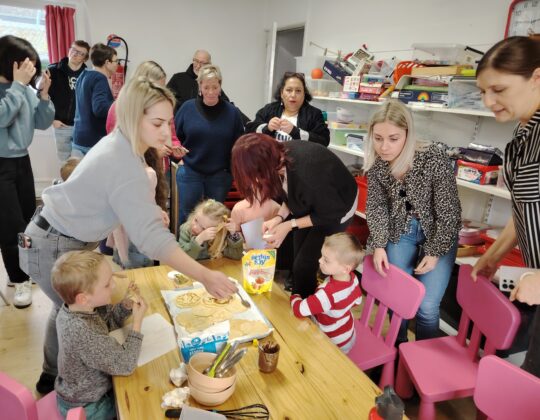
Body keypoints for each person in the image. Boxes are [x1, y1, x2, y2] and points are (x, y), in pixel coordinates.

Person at [19, 77, 236, 394]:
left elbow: (119, 202)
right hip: (53, 242)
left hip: (54, 234)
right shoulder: (123, 160)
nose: (166, 132)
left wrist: (143, 208)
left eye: (169, 123)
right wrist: (204, 276)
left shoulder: (123, 143)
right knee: (77, 317)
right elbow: (152, 240)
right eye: (158, 123)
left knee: (63, 311)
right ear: (135, 117)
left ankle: (51, 377)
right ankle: (69, 388)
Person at [365, 100, 461, 343]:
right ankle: (397, 353)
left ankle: (422, 360)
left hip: (438, 232)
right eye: (378, 138)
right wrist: (378, 245)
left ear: (408, 134)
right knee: (397, 298)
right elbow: (376, 207)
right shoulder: (377, 165)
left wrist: (436, 250)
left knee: (427, 307)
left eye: (393, 139)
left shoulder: (433, 157)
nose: (384, 147)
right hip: (402, 230)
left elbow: (449, 212)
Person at [473, 36, 540, 378]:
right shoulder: (522, 136)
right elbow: (526, 208)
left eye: (498, 89)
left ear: (537, 78)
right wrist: (493, 255)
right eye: (483, 91)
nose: (488, 101)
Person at [231, 133, 358, 298]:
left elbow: (328, 214)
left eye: (253, 173)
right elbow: (292, 195)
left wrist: (289, 225)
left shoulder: (307, 172)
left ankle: (307, 309)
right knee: (298, 259)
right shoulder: (278, 160)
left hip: (336, 209)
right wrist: (279, 218)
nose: (254, 179)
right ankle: (300, 298)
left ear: (263, 165)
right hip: (316, 200)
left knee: (305, 264)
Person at [51, 250, 146, 419]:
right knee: (138, 407)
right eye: (107, 284)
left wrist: (125, 305)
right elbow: (126, 365)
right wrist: (137, 323)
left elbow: (107, 321)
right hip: (88, 405)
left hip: (77, 391)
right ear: (84, 298)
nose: (114, 286)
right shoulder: (82, 331)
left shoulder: (77, 308)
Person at [0, 35, 54, 308]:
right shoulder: (15, 89)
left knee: (25, 220)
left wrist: (43, 94)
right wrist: (20, 87)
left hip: (22, 161)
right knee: (9, 225)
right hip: (1, 164)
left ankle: (20, 272)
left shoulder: (21, 89)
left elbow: (43, 122)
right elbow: (2, 116)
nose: (30, 71)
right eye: (26, 65)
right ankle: (19, 279)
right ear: (11, 63)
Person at [174, 64, 244, 224]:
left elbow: (239, 143)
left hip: (220, 174)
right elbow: (175, 136)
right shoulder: (187, 108)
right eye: (206, 87)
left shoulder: (232, 112)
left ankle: (212, 249)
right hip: (190, 170)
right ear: (200, 87)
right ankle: (185, 249)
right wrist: (178, 157)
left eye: (215, 87)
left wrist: (231, 167)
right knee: (188, 216)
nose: (211, 92)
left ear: (220, 86)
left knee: (215, 218)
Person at [290, 232, 363, 353]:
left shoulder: (326, 295)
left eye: (326, 260)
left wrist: (295, 297)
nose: (319, 261)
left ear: (345, 268)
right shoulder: (353, 278)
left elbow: (299, 310)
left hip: (330, 343)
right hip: (348, 335)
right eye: (321, 256)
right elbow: (357, 301)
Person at [245, 72, 329, 146]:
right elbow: (249, 131)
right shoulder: (269, 109)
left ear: (304, 94)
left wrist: (295, 131)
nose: (293, 95)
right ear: (282, 93)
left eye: (298, 91)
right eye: (289, 90)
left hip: (300, 162)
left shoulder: (314, 114)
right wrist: (267, 128)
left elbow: (324, 141)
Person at [48, 40, 90, 162]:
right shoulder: (53, 70)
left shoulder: (88, 75)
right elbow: (43, 96)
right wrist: (52, 119)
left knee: (81, 163)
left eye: (80, 53)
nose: (75, 54)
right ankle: (66, 182)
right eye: (73, 50)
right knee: (64, 163)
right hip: (61, 125)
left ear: (85, 58)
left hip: (81, 127)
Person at [71, 43, 117, 157]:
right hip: (92, 140)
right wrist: (118, 104)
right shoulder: (99, 78)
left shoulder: (83, 75)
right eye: (116, 61)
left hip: (79, 137)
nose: (117, 65)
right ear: (107, 63)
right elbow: (100, 109)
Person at [178, 199, 243, 260]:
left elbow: (236, 256)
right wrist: (199, 240)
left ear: (217, 230)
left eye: (203, 228)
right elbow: (183, 258)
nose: (195, 227)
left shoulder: (219, 236)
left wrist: (233, 234)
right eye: (196, 220)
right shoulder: (186, 229)